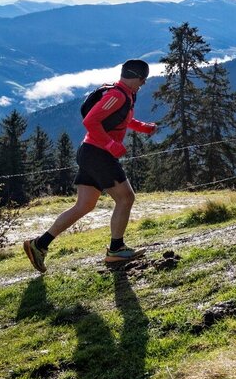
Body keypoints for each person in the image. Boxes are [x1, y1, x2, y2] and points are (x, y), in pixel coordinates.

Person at [23, 59, 158, 272]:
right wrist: (111, 144)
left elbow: (122, 120)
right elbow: (90, 121)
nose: (143, 84)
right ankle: (116, 249)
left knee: (84, 205)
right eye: (143, 80)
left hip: (91, 152)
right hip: (98, 154)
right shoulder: (117, 95)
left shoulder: (125, 94)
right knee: (126, 198)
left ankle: (39, 245)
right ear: (137, 77)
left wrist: (144, 128)